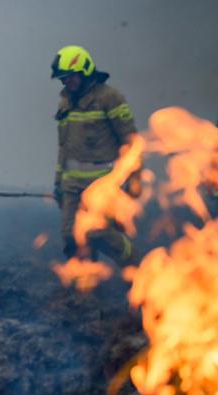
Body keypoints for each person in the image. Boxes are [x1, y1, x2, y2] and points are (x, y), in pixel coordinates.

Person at [51, 45, 139, 265]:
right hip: (72, 185)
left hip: (102, 184)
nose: (66, 83)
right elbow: (64, 147)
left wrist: (134, 179)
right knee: (71, 236)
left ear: (84, 71)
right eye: (63, 79)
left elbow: (131, 141)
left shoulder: (110, 98)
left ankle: (135, 263)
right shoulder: (66, 102)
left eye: (69, 77)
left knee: (95, 231)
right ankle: (86, 285)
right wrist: (58, 183)